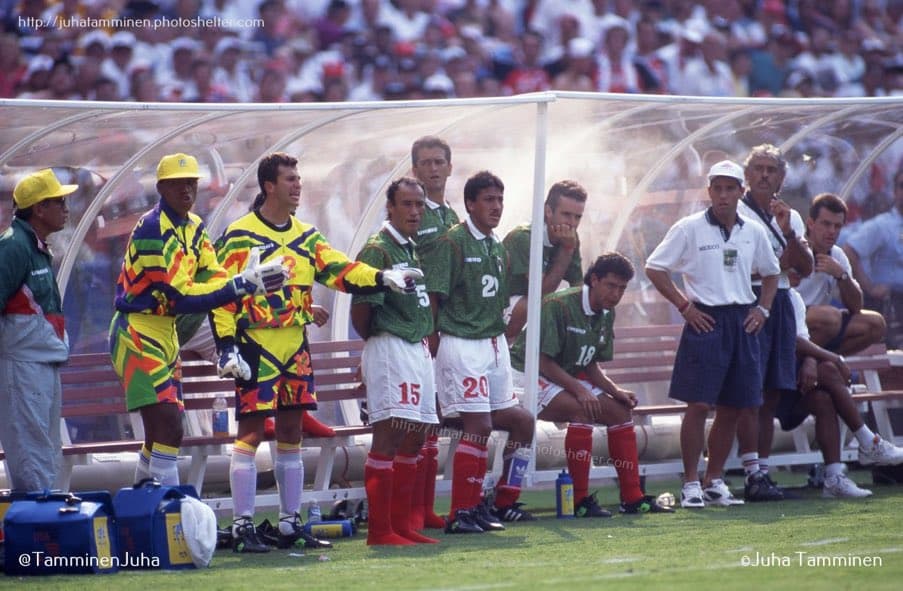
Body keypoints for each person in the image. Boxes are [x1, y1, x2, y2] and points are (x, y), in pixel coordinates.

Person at [211, 152, 422, 553]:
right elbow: (222, 297)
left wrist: (381, 277)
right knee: (251, 435)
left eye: (299, 178)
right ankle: (241, 526)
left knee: (292, 433)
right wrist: (226, 346)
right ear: (269, 186)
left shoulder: (307, 236)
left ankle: (290, 523)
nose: (298, 185)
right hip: (257, 345)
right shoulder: (239, 235)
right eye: (289, 179)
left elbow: (340, 270)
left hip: (295, 347)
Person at [109, 153, 287, 492]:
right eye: (178, 184)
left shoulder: (193, 226)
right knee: (170, 426)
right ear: (161, 187)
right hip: (137, 332)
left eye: (191, 182)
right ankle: (170, 505)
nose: (186, 189)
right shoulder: (152, 228)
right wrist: (239, 285)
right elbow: (180, 296)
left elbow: (213, 276)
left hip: (165, 333)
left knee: (163, 431)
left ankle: (146, 503)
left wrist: (241, 280)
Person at [645, 160, 780, 509]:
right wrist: (684, 306)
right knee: (699, 405)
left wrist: (763, 310)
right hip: (705, 318)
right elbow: (654, 267)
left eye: (730, 188)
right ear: (709, 192)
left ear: (741, 191)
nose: (723, 195)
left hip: (742, 320)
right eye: (717, 188)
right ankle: (690, 483)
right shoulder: (688, 228)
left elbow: (771, 273)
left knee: (734, 407)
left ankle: (714, 481)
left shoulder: (753, 230)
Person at [510, 253, 674, 516]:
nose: (616, 293)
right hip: (524, 373)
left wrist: (615, 390)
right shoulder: (559, 305)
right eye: (611, 285)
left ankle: (632, 498)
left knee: (620, 411)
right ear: (594, 280)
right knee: (583, 408)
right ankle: (579, 501)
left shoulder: (606, 313)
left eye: (622, 288)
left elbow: (590, 364)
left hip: (560, 377)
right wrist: (579, 389)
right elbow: (541, 361)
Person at [424, 170, 535, 533]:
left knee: (522, 422)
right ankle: (461, 512)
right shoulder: (452, 242)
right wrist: (434, 346)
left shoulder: (495, 245)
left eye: (500, 200)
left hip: (494, 345)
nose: (496, 207)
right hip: (461, 344)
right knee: (479, 426)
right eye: (488, 200)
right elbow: (434, 298)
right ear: (470, 203)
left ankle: (503, 501)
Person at [351, 177, 440, 546]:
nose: (415, 211)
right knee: (389, 433)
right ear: (390, 207)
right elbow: (361, 312)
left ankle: (402, 526)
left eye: (419, 205)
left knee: (416, 436)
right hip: (390, 347)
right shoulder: (378, 249)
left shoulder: (410, 247)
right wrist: (380, 341)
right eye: (407, 204)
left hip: (416, 348)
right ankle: (379, 531)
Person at [736, 143, 813, 502]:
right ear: (747, 175)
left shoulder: (790, 215)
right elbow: (753, 266)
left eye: (772, 169)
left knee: (770, 392)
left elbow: (806, 267)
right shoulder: (735, 210)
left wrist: (790, 236)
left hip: (780, 300)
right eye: (759, 168)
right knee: (747, 392)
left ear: (781, 177)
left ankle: (762, 470)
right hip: (747, 298)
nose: (765, 175)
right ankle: (748, 470)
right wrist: (784, 259)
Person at [775, 289, 903, 498]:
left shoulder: (794, 297)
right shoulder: (767, 294)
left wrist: (842, 275)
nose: (798, 274)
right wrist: (835, 358)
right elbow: (792, 342)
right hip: (767, 386)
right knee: (828, 368)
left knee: (824, 399)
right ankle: (869, 442)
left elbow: (802, 340)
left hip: (794, 387)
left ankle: (834, 478)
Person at [0, 169, 75, 492]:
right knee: (31, 454)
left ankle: (44, 529)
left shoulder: (33, 244)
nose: (66, 207)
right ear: (39, 209)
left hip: (41, 363)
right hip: (22, 367)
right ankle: (38, 532)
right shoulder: (14, 246)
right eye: (58, 201)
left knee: (43, 450)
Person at [408, 135, 459, 531]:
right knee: (415, 421)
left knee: (434, 418)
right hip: (419, 327)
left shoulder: (452, 216)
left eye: (439, 161)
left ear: (450, 167)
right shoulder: (410, 213)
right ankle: (408, 510)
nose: (433, 168)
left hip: (448, 329)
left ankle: (425, 507)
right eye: (425, 162)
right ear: (414, 169)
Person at [795, 193, 886, 354]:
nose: (832, 231)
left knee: (876, 324)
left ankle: (822, 359)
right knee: (830, 317)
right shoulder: (796, 248)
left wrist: (841, 276)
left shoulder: (837, 254)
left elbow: (856, 307)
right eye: (826, 224)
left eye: (837, 226)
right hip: (792, 319)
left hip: (823, 326)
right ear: (810, 223)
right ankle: (811, 359)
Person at [502, 180, 586, 341]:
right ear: (548, 211)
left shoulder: (571, 237)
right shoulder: (525, 237)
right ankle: (510, 346)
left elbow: (578, 288)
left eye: (578, 217)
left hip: (535, 305)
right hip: (501, 307)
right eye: (566, 214)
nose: (572, 223)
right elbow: (540, 293)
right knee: (536, 306)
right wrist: (567, 250)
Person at [843, 168, 903, 349]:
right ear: (895, 192)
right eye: (902, 186)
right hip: (891, 305)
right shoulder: (882, 225)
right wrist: (869, 286)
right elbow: (849, 250)